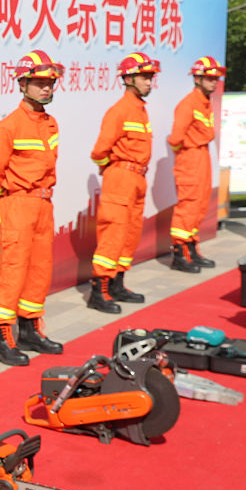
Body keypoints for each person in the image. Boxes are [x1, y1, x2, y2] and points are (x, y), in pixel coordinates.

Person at [0, 50, 66, 365]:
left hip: (44, 204)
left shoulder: (50, 123)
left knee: (39, 269)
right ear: (23, 82)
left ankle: (30, 328)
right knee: (12, 272)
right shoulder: (9, 127)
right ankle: (0, 336)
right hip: (17, 204)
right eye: (40, 82)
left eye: (50, 83)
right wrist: (14, 199)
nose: (46, 88)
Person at [88, 52, 159, 313]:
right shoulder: (119, 111)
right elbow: (99, 151)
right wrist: (116, 169)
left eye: (150, 77)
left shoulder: (140, 111)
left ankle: (117, 283)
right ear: (128, 78)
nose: (149, 82)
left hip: (137, 178)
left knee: (130, 233)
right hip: (120, 177)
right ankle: (99, 291)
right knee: (114, 233)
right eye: (144, 77)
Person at [167, 56, 224, 271]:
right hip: (190, 158)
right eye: (210, 78)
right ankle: (179, 253)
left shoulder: (204, 103)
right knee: (189, 204)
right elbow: (175, 138)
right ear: (197, 79)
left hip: (202, 156)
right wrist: (188, 152)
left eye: (215, 79)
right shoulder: (188, 104)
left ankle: (191, 248)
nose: (214, 82)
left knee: (199, 205)